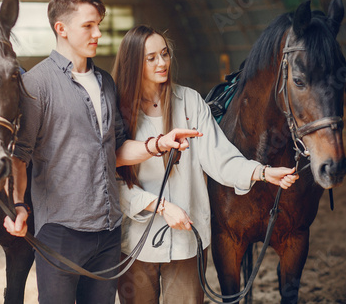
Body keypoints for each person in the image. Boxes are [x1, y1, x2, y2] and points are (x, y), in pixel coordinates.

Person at [2, 0, 200, 304]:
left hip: (108, 235)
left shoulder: (106, 82)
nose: (98, 33)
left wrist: (158, 143)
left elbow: (117, 151)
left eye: (100, 25)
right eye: (89, 26)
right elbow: (19, 158)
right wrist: (20, 206)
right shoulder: (36, 85)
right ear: (61, 29)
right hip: (61, 232)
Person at [112, 25, 299, 304]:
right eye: (151, 58)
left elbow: (220, 158)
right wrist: (161, 206)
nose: (162, 63)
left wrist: (262, 172)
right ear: (133, 62)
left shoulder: (189, 101)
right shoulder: (117, 109)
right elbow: (112, 183)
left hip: (189, 241)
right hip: (136, 243)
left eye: (164, 54)